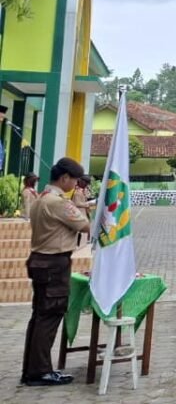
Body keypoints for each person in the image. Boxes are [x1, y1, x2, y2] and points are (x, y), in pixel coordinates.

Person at [22, 158, 90, 387]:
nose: (75, 184)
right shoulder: (59, 202)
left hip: (40, 261)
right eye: (74, 180)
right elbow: (85, 225)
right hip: (54, 264)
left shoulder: (42, 198)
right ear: (64, 179)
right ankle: (40, 372)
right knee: (49, 317)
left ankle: (31, 370)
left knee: (39, 316)